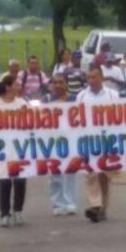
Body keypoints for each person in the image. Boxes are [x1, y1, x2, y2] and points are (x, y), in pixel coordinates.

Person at [77, 68, 121, 222]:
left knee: (104, 175)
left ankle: (103, 207)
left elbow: (119, 115)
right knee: (90, 174)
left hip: (107, 139)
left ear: (101, 78)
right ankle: (95, 205)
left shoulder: (112, 95)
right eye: (89, 77)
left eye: (94, 77)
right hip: (88, 139)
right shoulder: (81, 95)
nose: (91, 80)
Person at [0, 74, 29, 227]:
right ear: (8, 87)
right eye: (16, 84)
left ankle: (18, 210)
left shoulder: (22, 103)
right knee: (4, 181)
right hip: (0, 148)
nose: (20, 87)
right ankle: (4, 213)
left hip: (19, 147)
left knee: (20, 180)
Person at [43, 75, 78, 216]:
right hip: (52, 140)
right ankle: (57, 204)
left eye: (61, 82)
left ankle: (70, 203)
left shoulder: (74, 99)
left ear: (66, 84)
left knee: (70, 172)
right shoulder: (46, 100)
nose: (58, 85)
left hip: (70, 139)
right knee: (55, 173)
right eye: (55, 82)